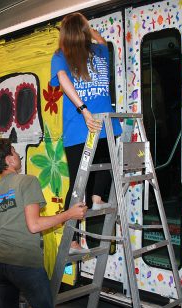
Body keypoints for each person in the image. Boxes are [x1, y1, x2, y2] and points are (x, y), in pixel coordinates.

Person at [0, 138, 87, 308]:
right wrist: (69, 214)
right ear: (9, 160)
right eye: (14, 151)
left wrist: (0, 260)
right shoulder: (27, 181)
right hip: (25, 263)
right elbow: (34, 225)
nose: (18, 155)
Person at [50, 12, 122, 211]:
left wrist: (83, 110)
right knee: (78, 183)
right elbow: (63, 79)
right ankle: (73, 237)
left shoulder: (92, 51)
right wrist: (84, 110)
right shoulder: (67, 54)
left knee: (96, 172)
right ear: (83, 30)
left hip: (91, 126)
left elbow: (103, 43)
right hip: (83, 128)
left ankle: (96, 200)